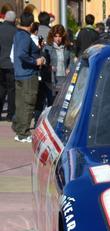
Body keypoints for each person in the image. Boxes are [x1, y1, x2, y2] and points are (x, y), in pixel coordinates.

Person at [12, 11, 45, 142]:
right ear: (31, 24)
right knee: (28, 104)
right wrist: (35, 61)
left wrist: (37, 48)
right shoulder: (25, 37)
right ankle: (23, 134)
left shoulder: (18, 34)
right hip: (28, 75)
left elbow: (22, 52)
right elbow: (22, 54)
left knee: (21, 104)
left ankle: (19, 129)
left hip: (20, 74)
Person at [43, 24, 70, 100]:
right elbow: (44, 63)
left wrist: (69, 68)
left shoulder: (67, 48)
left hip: (64, 79)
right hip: (52, 80)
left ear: (63, 36)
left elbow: (71, 61)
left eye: (60, 36)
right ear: (52, 36)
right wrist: (49, 67)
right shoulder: (47, 48)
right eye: (56, 36)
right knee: (52, 102)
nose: (58, 39)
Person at [0, 10, 16, 121]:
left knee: (1, 89)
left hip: (1, 64)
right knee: (12, 90)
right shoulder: (16, 31)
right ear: (14, 20)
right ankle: (10, 115)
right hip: (11, 65)